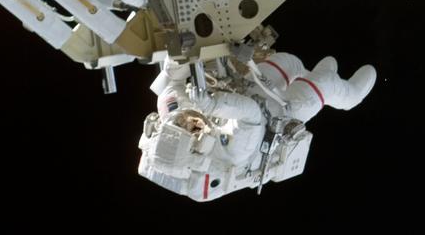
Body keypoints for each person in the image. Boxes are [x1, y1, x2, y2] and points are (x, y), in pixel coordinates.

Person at [138, 51, 376, 201]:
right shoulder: (231, 152)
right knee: (324, 83)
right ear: (196, 148)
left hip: (250, 90)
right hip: (282, 112)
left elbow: (170, 87)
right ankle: (350, 96)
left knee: (288, 62)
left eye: (181, 124)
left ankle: (312, 74)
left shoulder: (172, 117)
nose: (189, 122)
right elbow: (251, 115)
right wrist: (211, 105)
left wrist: (177, 57)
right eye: (191, 129)